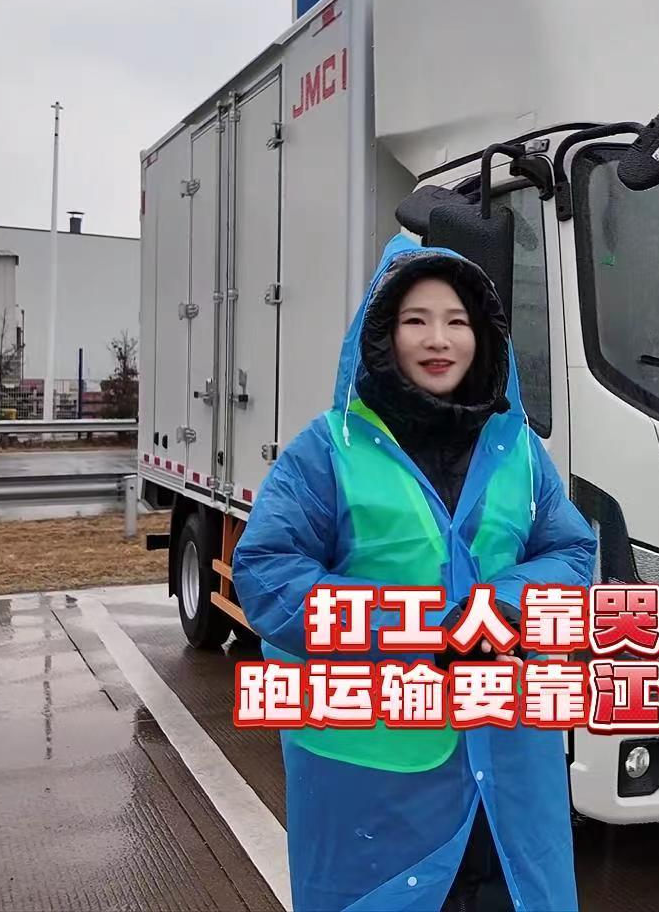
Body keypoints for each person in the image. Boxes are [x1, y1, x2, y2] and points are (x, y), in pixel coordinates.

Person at [233, 234, 596, 912]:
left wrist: (502, 608)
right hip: (377, 793)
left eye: (457, 321)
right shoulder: (328, 449)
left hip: (511, 772)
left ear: (483, 337)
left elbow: (572, 551)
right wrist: (423, 629)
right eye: (415, 320)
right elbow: (267, 574)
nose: (439, 339)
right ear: (383, 334)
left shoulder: (518, 448)